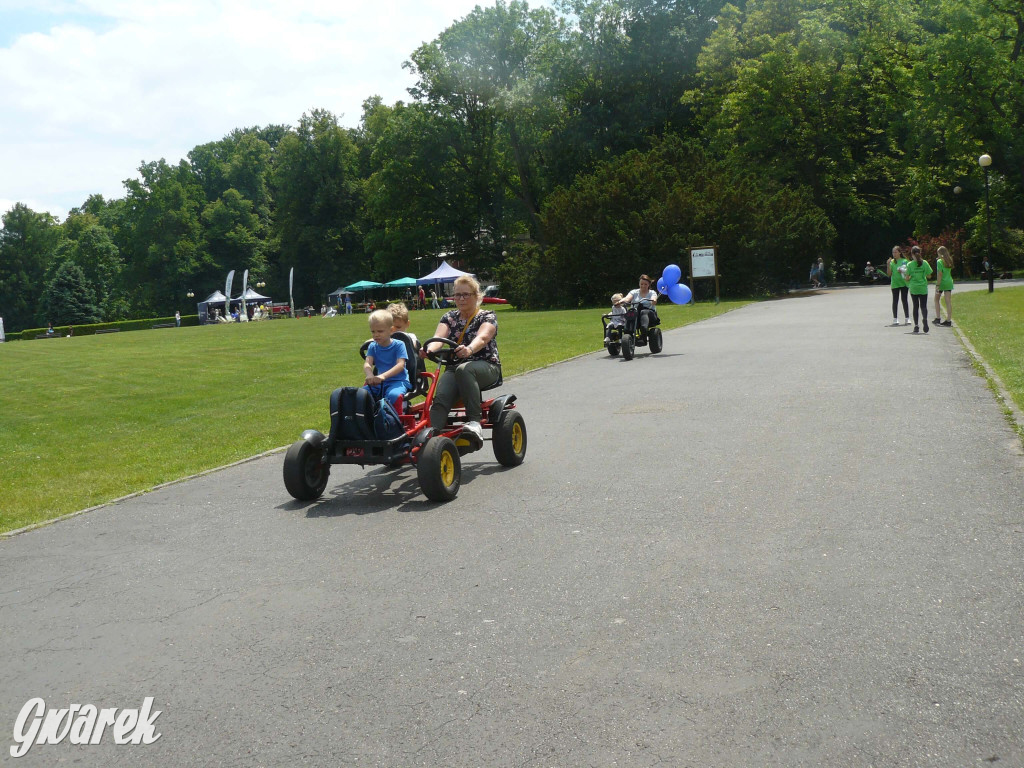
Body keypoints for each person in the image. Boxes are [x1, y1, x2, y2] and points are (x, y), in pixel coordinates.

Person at [423, 275, 500, 441]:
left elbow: (483, 337)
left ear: (476, 295)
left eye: (466, 294)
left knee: (464, 370)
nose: (461, 298)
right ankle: (431, 437)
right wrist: (428, 350)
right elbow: (438, 339)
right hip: (455, 368)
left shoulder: (487, 316)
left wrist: (469, 349)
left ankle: (475, 422)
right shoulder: (449, 317)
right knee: (441, 397)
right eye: (457, 295)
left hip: (486, 366)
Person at [363, 309, 412, 407]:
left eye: (380, 331)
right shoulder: (373, 346)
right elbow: (367, 363)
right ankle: (368, 419)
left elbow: (400, 365)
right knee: (362, 394)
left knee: (393, 395)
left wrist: (383, 376)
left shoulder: (399, 345)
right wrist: (369, 374)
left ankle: (395, 420)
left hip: (398, 381)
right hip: (380, 383)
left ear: (391, 330)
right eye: (373, 331)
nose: (376, 334)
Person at [905, 245, 933, 334]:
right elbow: (929, 275)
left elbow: (907, 278)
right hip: (923, 287)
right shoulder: (924, 263)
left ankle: (916, 326)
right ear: (920, 253)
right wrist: (923, 274)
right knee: (923, 306)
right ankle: (924, 318)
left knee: (915, 306)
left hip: (914, 287)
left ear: (912, 254)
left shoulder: (910, 264)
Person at [886, 245, 911, 326]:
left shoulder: (905, 261)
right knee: (895, 301)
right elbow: (889, 274)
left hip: (904, 283)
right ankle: (895, 318)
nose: (894, 254)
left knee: (904, 300)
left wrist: (903, 271)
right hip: (895, 284)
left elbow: (908, 271)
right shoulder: (892, 262)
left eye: (896, 252)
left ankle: (907, 318)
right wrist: (888, 265)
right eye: (893, 252)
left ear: (900, 252)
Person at [933, 245, 954, 326]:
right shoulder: (949, 260)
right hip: (949, 281)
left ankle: (938, 318)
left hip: (942, 282)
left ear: (940, 253)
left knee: (936, 299)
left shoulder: (939, 262)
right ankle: (948, 320)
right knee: (948, 301)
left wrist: (937, 285)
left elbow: (940, 274)